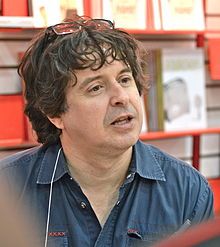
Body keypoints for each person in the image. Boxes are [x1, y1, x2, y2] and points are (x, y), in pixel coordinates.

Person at [0, 15, 214, 247]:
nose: (121, 97)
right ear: (55, 114)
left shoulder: (188, 189)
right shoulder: (9, 190)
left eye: (124, 79)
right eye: (96, 88)